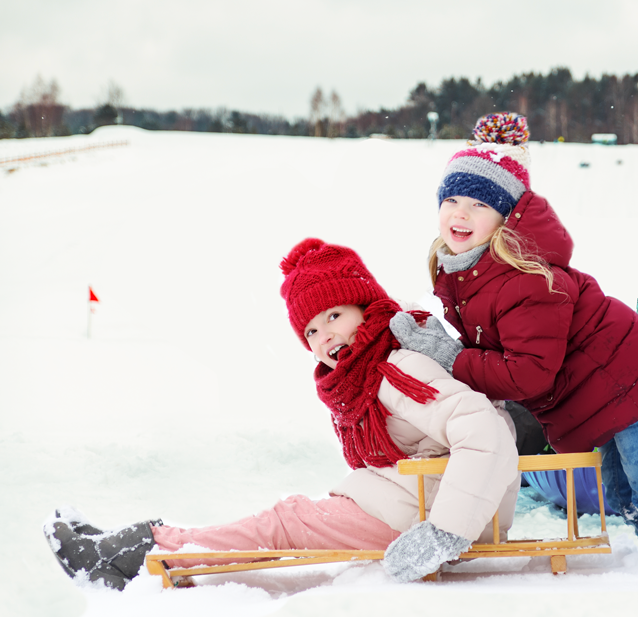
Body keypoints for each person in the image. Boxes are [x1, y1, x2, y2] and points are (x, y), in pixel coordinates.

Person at [44, 239, 520, 590]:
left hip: (425, 518)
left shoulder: (396, 370)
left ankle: (143, 549)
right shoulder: (372, 368)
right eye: (312, 331)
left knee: (285, 521)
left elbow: (488, 433)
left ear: (364, 304)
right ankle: (145, 543)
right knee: (288, 517)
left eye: (334, 316)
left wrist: (443, 534)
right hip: (411, 502)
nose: (325, 337)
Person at [390, 112, 638, 579]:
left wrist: (453, 358)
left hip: (630, 375)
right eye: (452, 199)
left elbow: (527, 373)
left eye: (479, 206)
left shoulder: (526, 278)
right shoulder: (463, 269)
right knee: (620, 490)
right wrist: (442, 345)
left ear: (505, 219)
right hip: (596, 385)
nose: (460, 214)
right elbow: (489, 343)